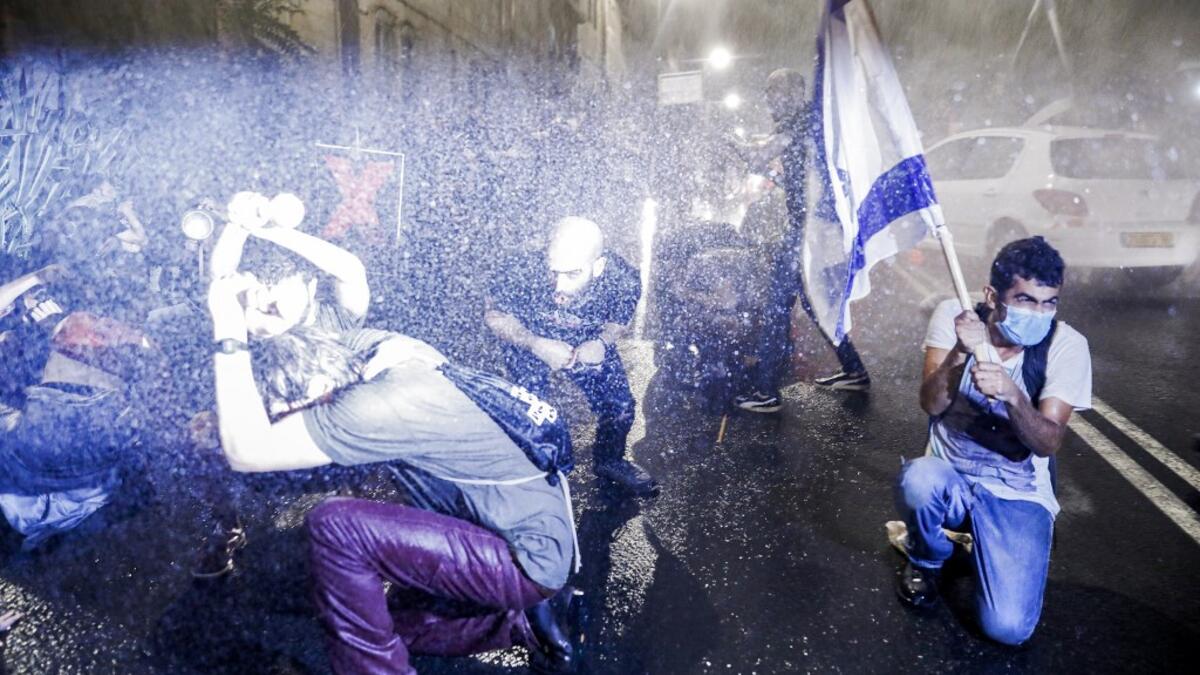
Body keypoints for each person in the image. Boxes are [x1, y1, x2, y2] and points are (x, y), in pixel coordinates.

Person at [206, 267, 577, 673]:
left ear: (313, 390)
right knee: (373, 619)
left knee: (335, 525)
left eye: (279, 410)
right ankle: (520, 622)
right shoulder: (367, 350)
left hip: (526, 560)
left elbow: (246, 449)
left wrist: (227, 328)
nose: (280, 419)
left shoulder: (375, 406)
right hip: (518, 527)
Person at [893, 236, 1092, 645]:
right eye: (1024, 300)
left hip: (1017, 490)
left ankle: (982, 540)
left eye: (1048, 302)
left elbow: (1048, 442)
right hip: (950, 475)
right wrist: (961, 354)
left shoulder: (1066, 346)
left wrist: (1012, 395)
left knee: (1008, 629)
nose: (1038, 313)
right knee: (918, 481)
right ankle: (926, 558)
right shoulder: (955, 315)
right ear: (992, 296)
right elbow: (930, 403)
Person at [190, 193, 371, 578]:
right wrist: (237, 223)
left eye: (278, 293)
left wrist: (270, 230)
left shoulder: (331, 320)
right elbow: (221, 275)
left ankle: (359, 543)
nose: (266, 303)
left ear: (308, 286)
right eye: (259, 294)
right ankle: (229, 530)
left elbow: (350, 269)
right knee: (200, 432)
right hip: (262, 454)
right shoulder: (242, 323)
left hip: (325, 458)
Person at [485, 216, 658, 498]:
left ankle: (610, 461)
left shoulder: (622, 278)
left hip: (586, 339)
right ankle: (533, 467)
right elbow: (494, 316)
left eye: (572, 274)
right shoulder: (520, 268)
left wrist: (601, 343)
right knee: (530, 406)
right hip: (529, 336)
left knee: (620, 406)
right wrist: (535, 344)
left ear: (598, 266)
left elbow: (619, 320)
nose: (558, 287)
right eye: (553, 272)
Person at [731, 68, 871, 414]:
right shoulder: (807, 122)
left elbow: (757, 157)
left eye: (771, 92)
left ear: (790, 93)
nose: (767, 100)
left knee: (777, 304)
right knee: (815, 302)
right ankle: (853, 369)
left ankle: (765, 390)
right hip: (814, 229)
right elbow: (798, 172)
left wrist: (731, 144)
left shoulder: (801, 121)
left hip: (809, 232)